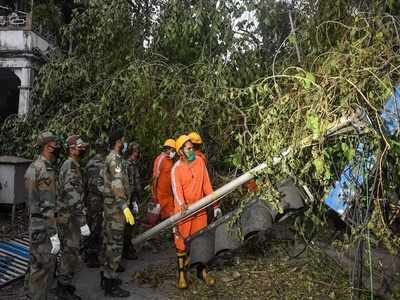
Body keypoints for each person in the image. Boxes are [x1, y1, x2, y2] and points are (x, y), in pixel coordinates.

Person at [171, 135, 221, 289]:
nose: (192, 150)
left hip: (200, 210)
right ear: (181, 151)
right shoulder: (176, 169)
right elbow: (176, 190)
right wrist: (182, 204)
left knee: (201, 241)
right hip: (183, 212)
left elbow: (207, 184)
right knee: (181, 244)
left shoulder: (199, 162)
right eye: (189, 148)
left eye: (192, 147)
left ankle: (202, 272)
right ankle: (181, 275)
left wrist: (215, 204)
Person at [25, 131, 61, 300]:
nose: (58, 148)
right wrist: (54, 235)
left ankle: (30, 295)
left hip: (35, 225)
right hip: (44, 228)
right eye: (56, 144)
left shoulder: (33, 167)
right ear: (48, 146)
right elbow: (47, 207)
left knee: (34, 267)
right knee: (42, 270)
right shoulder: (45, 170)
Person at [102, 127, 135, 297]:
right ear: (118, 142)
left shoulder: (112, 158)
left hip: (110, 207)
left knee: (108, 242)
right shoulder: (114, 159)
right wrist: (124, 206)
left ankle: (106, 277)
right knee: (115, 245)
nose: (124, 143)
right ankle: (110, 282)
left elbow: (103, 184)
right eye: (123, 140)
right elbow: (116, 184)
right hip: (116, 209)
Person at [56, 135, 90, 300]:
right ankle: (62, 287)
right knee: (70, 251)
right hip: (69, 217)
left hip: (72, 216)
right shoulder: (70, 167)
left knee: (72, 250)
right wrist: (82, 221)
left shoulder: (75, 165)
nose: (82, 149)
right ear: (71, 149)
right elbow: (73, 196)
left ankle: (65, 281)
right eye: (79, 147)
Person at [84, 138, 107, 268]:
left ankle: (89, 253)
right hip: (100, 199)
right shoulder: (106, 163)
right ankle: (93, 254)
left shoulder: (89, 163)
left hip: (91, 198)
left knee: (92, 225)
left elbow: (85, 182)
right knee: (98, 226)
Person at [122, 142, 142, 260]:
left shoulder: (134, 164)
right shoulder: (127, 165)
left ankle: (128, 246)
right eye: (136, 151)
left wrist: (135, 200)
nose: (138, 153)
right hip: (126, 199)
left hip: (132, 198)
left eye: (138, 151)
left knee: (131, 224)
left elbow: (136, 183)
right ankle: (125, 249)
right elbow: (127, 184)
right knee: (127, 225)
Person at [152, 138, 176, 220]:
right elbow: (155, 178)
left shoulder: (170, 160)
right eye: (173, 150)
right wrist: (154, 196)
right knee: (161, 220)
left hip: (169, 196)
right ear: (167, 149)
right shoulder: (160, 159)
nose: (174, 152)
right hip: (161, 197)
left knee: (171, 218)